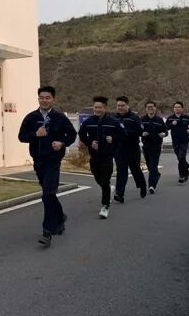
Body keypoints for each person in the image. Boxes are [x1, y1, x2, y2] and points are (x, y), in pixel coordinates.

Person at [19, 86, 77, 247]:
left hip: (53, 161)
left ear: (53, 99)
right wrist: (35, 135)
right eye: (41, 97)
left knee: (47, 194)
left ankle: (47, 231)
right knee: (49, 195)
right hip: (38, 161)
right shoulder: (31, 117)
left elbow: (72, 135)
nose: (44, 100)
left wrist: (62, 143)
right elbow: (21, 136)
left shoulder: (60, 117)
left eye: (47, 97)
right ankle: (59, 215)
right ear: (38, 99)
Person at [78, 96, 126, 218]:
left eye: (100, 107)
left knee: (104, 180)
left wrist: (113, 138)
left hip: (107, 155)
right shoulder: (89, 121)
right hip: (94, 156)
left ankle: (105, 206)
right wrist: (89, 142)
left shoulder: (113, 122)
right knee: (98, 178)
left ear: (105, 108)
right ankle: (109, 189)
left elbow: (123, 135)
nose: (97, 110)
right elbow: (81, 133)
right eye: (95, 107)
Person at [114, 96, 147, 202]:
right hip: (119, 149)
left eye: (122, 105)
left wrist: (125, 133)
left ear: (127, 105)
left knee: (135, 170)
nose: (120, 107)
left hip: (132, 148)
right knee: (121, 171)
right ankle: (119, 194)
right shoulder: (114, 118)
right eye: (118, 105)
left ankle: (142, 185)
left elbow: (140, 131)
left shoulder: (134, 117)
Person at [140, 101, 167, 194]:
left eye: (152, 106)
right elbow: (138, 130)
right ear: (146, 109)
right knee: (149, 165)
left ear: (155, 108)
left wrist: (163, 134)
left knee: (153, 165)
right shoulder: (142, 119)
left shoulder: (159, 120)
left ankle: (152, 185)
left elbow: (165, 130)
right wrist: (142, 133)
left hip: (156, 145)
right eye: (148, 107)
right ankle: (156, 174)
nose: (150, 108)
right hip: (146, 145)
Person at [165, 101, 189, 184]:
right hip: (175, 141)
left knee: (181, 157)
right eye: (175, 107)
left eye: (179, 107)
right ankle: (186, 170)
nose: (177, 108)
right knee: (180, 157)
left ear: (182, 108)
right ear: (173, 109)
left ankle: (182, 175)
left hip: (184, 140)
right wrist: (172, 124)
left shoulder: (187, 117)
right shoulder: (170, 118)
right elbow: (165, 128)